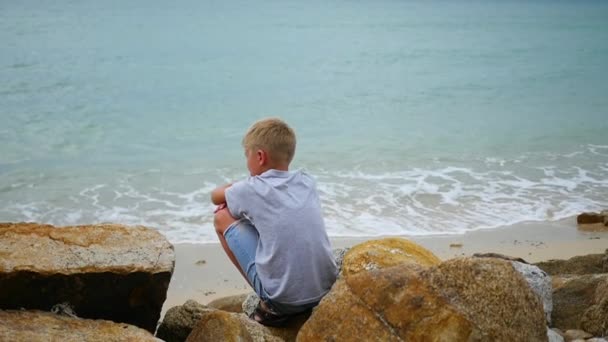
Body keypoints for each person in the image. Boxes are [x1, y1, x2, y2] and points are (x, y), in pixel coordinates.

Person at [211, 117, 337, 326]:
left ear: (260, 157)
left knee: (221, 217)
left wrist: (237, 186)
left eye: (247, 156)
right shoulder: (307, 180)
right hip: (324, 290)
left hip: (284, 302)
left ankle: (267, 303)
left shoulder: (252, 189)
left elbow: (215, 196)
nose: (246, 162)